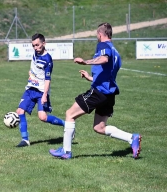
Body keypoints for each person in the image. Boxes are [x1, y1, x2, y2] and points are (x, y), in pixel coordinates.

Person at [49, 22, 142, 159]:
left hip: (99, 92)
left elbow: (104, 59)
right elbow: (107, 75)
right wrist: (90, 78)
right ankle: (131, 138)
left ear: (100, 34)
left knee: (69, 114)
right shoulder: (116, 52)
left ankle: (66, 151)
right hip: (109, 94)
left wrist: (85, 62)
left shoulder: (103, 45)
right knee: (99, 127)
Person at [15, 33, 65, 147]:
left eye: (37, 45)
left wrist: (44, 95)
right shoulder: (35, 53)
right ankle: (25, 140)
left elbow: (48, 79)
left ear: (44, 43)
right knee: (19, 111)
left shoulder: (48, 60)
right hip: (30, 88)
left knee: (43, 117)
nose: (35, 48)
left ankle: (66, 124)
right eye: (33, 45)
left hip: (41, 91)